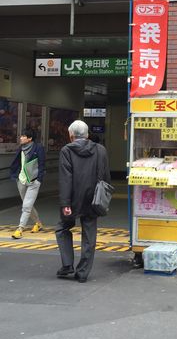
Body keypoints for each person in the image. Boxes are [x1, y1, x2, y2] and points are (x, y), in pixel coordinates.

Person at [56, 120, 110, 283]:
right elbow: (106, 176)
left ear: (71, 135)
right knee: (89, 235)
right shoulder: (100, 150)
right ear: (87, 135)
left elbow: (66, 178)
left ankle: (67, 265)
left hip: (73, 199)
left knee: (62, 228)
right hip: (94, 198)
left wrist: (65, 203)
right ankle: (83, 272)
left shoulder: (66, 150)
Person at [9, 128, 45, 239]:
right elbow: (17, 163)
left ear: (30, 138)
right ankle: (38, 223)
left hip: (33, 181)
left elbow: (42, 164)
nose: (21, 138)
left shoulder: (38, 148)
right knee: (27, 204)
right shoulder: (21, 148)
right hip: (21, 180)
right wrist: (16, 177)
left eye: (23, 136)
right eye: (21, 136)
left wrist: (39, 179)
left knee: (26, 206)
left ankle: (20, 229)